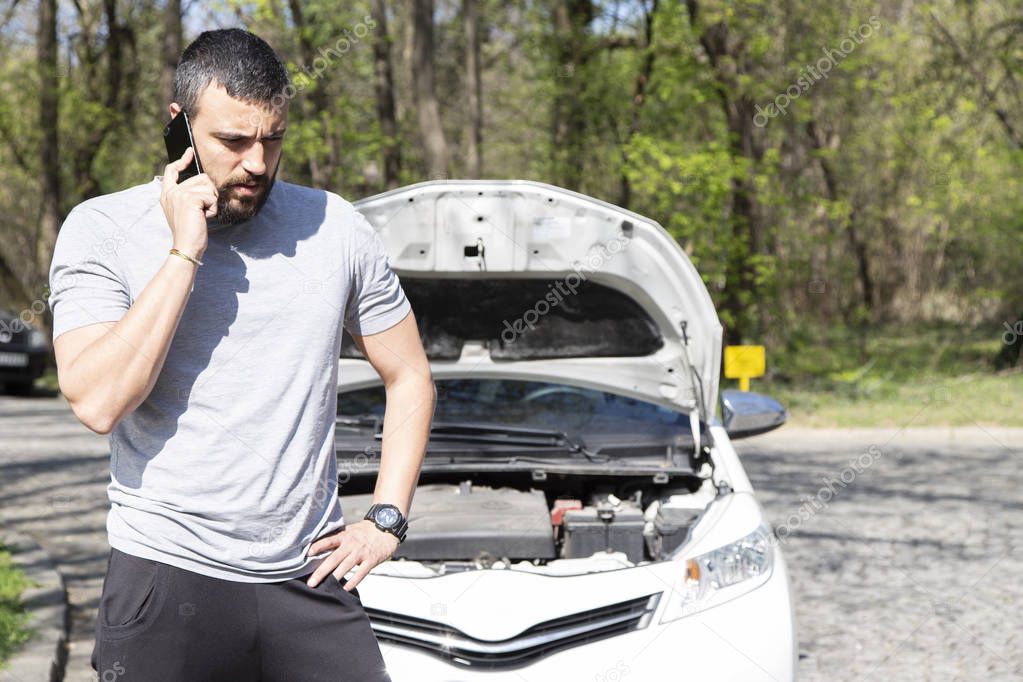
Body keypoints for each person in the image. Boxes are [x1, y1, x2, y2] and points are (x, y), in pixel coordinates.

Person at [47, 28, 435, 681]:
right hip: (165, 577)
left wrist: (387, 518)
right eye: (233, 141)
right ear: (179, 128)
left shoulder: (334, 227)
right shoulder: (102, 229)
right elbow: (97, 400)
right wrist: (184, 250)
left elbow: (410, 375)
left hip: (311, 577)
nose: (257, 162)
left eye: (273, 138)